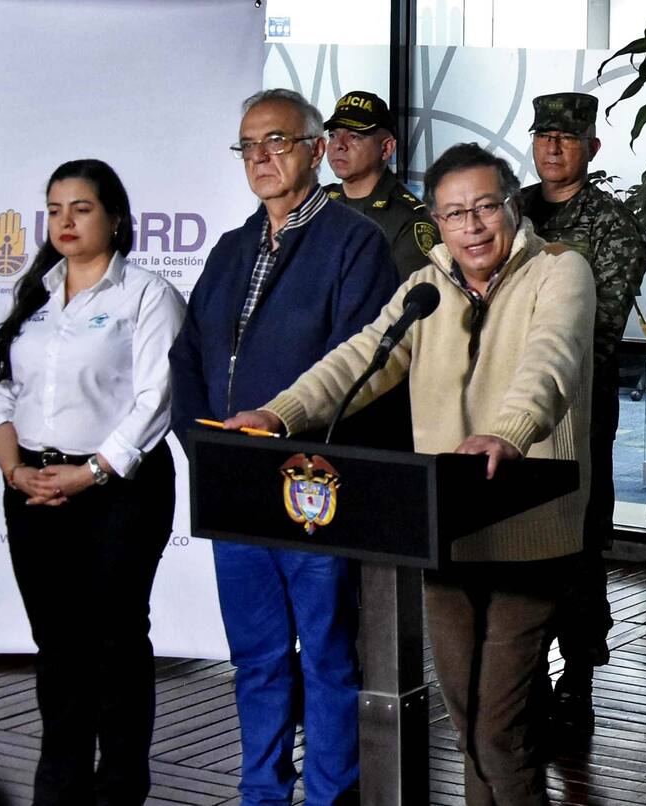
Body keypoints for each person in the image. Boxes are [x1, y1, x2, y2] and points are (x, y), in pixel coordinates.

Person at [226, 142, 596, 806]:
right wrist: (281, 414)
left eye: (487, 207)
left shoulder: (559, 271)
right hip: (442, 534)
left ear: (512, 205)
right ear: (438, 222)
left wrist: (507, 432)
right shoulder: (425, 286)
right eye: (455, 214)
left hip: (530, 532)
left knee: (498, 734)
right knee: (472, 731)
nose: (473, 226)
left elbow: (552, 359)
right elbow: (360, 355)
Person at [168, 88, 399, 805]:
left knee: (329, 654)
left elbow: (359, 366)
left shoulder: (353, 242)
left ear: (310, 148)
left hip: (313, 485)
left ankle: (332, 795)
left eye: (275, 141)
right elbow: (188, 359)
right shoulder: (233, 248)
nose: (260, 157)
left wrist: (284, 429)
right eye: (247, 146)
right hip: (235, 483)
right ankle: (262, 791)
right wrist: (204, 442)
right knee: (259, 656)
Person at [0, 159, 186, 805]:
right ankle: (59, 785)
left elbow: (157, 399)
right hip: (35, 490)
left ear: (116, 217)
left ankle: (120, 788)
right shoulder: (35, 292)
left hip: (119, 491)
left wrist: (91, 473)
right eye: (54, 209)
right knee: (58, 645)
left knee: (115, 641)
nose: (65, 221)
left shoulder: (147, 295)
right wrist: (15, 470)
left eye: (81, 208)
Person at [519, 91, 646, 736]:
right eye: (543, 135)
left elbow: (594, 330)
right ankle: (522, 674)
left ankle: (577, 675)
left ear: (591, 148)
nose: (552, 147)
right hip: (500, 405)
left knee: (576, 540)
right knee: (511, 538)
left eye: (566, 138)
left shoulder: (614, 226)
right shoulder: (507, 210)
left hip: (578, 405)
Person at [323, 89, 440, 280]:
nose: (339, 145)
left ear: (386, 148)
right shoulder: (318, 203)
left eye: (354, 136)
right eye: (333, 135)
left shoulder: (408, 219)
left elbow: (406, 300)